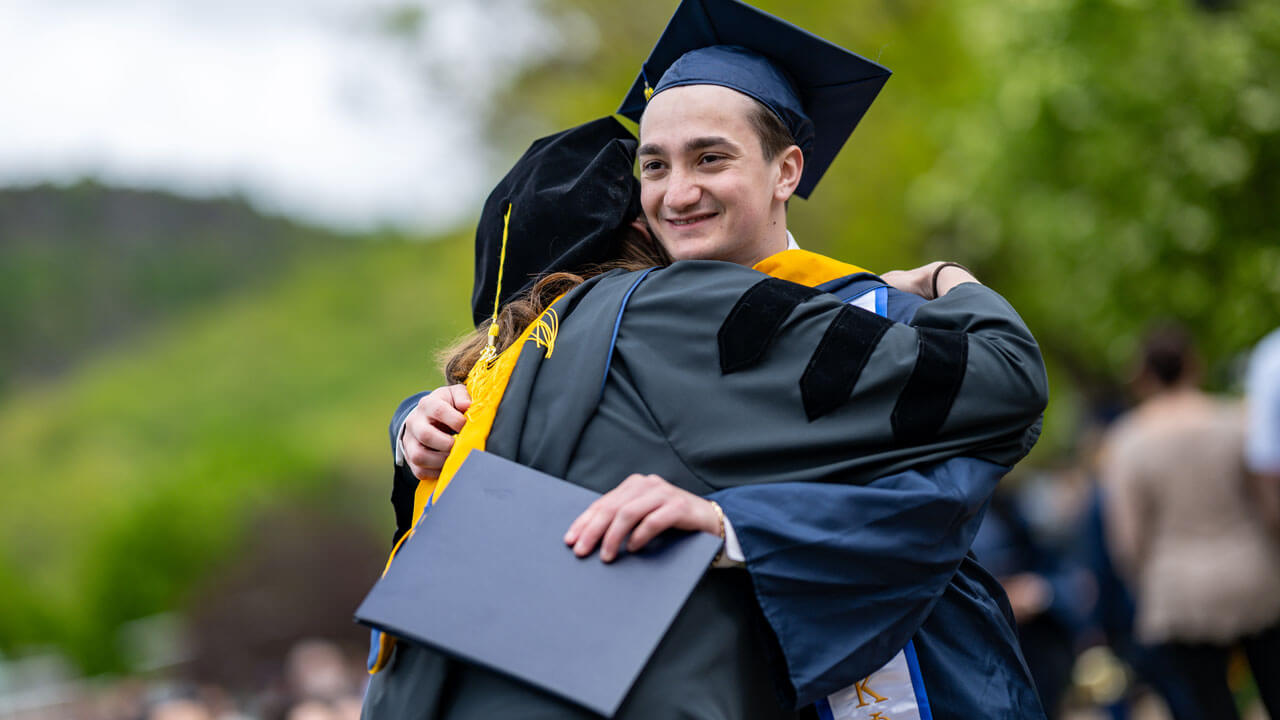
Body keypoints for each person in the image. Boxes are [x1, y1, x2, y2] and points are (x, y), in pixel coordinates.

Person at [377, 1, 1048, 717]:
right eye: (655, 166)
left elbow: (937, 499)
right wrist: (415, 421)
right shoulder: (636, 328)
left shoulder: (881, 319)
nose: (678, 193)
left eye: (710, 158)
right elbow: (535, 419)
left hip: (906, 670)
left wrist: (730, 524)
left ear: (786, 170)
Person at [1099, 325, 1280, 719]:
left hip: (1178, 589)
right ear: (1193, 364)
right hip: (1255, 576)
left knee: (1209, 705)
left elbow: (1127, 537)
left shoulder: (1127, 442)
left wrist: (1142, 579)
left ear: (1144, 373)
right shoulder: (1235, 421)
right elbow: (1269, 506)